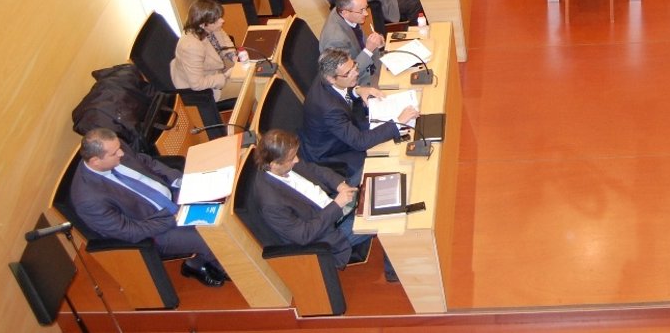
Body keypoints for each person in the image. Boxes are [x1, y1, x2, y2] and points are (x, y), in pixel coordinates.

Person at [72, 128, 228, 287]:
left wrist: (178, 181)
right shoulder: (88, 200)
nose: (121, 153)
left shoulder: (115, 147)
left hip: (173, 195)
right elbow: (130, 231)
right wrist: (172, 218)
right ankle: (227, 268)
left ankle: (201, 261)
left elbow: (146, 162)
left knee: (224, 203)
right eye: (114, 153)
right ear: (95, 161)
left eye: (119, 148)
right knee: (210, 238)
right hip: (156, 230)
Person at [252, 129, 398, 282]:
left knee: (376, 165)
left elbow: (315, 170)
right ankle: (393, 272)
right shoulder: (271, 203)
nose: (296, 160)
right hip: (329, 232)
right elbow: (304, 235)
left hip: (332, 201)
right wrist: (337, 205)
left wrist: (340, 185)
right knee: (387, 215)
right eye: (291, 158)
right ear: (274, 164)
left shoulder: (283, 162)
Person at [299, 49, 419, 184]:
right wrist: (398, 122)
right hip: (331, 153)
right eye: (348, 73)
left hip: (344, 127)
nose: (356, 73)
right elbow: (360, 142)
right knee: (388, 158)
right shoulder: (329, 109)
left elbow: (341, 90)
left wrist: (357, 90)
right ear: (331, 79)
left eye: (354, 66)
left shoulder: (329, 74)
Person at [170, 0, 242, 139]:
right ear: (204, 24)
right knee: (253, 86)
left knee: (254, 72)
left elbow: (223, 37)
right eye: (218, 20)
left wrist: (233, 56)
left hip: (218, 67)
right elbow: (197, 84)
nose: (222, 21)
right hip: (207, 89)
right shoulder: (191, 47)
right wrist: (225, 76)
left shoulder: (207, 27)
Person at [319, 0, 385, 87]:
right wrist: (369, 50)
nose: (366, 13)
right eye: (361, 10)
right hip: (360, 81)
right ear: (345, 12)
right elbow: (349, 74)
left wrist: (376, 43)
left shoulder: (344, 12)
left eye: (365, 8)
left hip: (371, 62)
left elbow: (361, 40)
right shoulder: (336, 39)